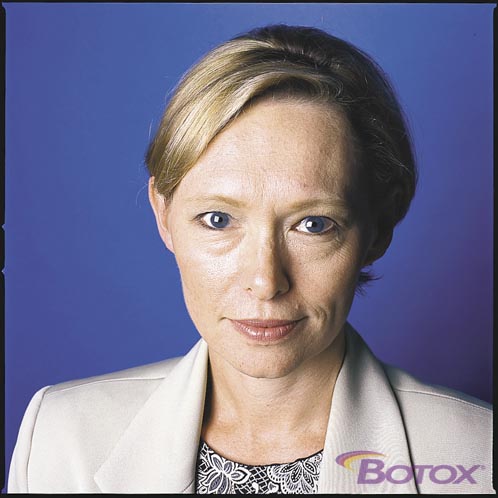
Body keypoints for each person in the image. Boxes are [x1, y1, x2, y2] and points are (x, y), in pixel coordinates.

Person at [8, 24, 493, 494]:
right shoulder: (62, 436)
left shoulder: (479, 456)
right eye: (218, 220)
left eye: (314, 224)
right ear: (163, 214)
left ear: (378, 228)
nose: (265, 281)